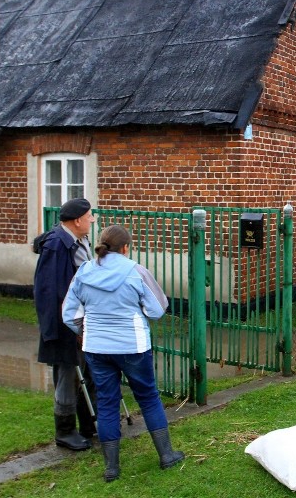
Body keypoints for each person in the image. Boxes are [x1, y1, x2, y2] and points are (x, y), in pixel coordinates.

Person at [62, 224, 185, 482]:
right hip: (133, 346)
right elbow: (157, 308)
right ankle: (166, 455)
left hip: (96, 347)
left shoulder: (84, 271)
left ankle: (112, 468)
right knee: (148, 397)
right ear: (126, 247)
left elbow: (69, 314)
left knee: (107, 402)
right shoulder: (136, 271)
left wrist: (84, 329)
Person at [34, 198, 97, 451]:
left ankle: (88, 425)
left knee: (87, 372)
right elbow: (49, 291)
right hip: (64, 324)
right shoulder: (56, 246)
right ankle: (65, 431)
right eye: (89, 216)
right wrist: (66, 327)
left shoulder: (78, 241)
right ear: (77, 220)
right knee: (68, 375)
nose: (92, 220)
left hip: (81, 320)